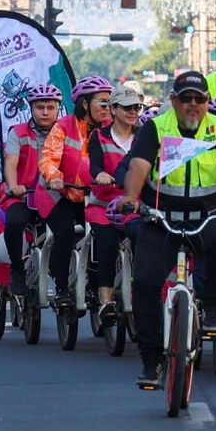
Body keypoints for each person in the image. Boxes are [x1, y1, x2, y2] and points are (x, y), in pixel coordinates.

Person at [119, 71, 216, 389]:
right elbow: (138, 166)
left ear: (207, 102)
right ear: (174, 101)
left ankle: (213, 307)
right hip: (161, 218)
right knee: (145, 284)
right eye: (186, 99)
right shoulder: (155, 127)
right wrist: (130, 197)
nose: (193, 105)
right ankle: (152, 362)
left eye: (199, 99)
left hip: (208, 217)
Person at [38, 77, 114, 307]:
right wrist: (55, 177)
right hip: (59, 195)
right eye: (103, 103)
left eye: (110, 103)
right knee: (64, 235)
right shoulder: (63, 126)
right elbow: (48, 159)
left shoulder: (110, 128)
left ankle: (96, 287)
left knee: (104, 236)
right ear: (85, 104)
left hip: (94, 197)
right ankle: (61, 287)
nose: (108, 108)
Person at [86, 85, 143, 324]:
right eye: (127, 107)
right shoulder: (98, 137)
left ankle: (144, 295)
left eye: (136, 107)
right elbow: (95, 166)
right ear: (114, 109)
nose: (133, 112)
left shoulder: (143, 136)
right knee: (107, 244)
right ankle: (106, 301)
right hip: (103, 204)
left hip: (134, 205)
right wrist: (100, 175)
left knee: (146, 240)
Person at [0, 85, 61, 297]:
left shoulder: (65, 133)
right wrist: (13, 185)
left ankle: (61, 271)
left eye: (50, 107)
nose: (45, 112)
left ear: (58, 109)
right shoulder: (18, 132)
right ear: (31, 108)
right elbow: (11, 162)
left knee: (70, 231)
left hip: (55, 197)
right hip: (24, 195)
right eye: (40, 107)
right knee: (14, 222)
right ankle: (17, 267)